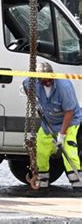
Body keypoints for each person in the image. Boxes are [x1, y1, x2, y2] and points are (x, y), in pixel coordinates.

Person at [23, 62, 82, 192]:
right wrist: (34, 102)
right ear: (39, 80)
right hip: (48, 121)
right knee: (41, 150)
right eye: (45, 81)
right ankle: (42, 182)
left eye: (50, 80)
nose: (48, 83)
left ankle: (78, 185)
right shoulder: (33, 82)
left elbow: (69, 113)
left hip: (69, 121)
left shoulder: (64, 87)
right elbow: (25, 84)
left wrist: (61, 136)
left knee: (69, 150)